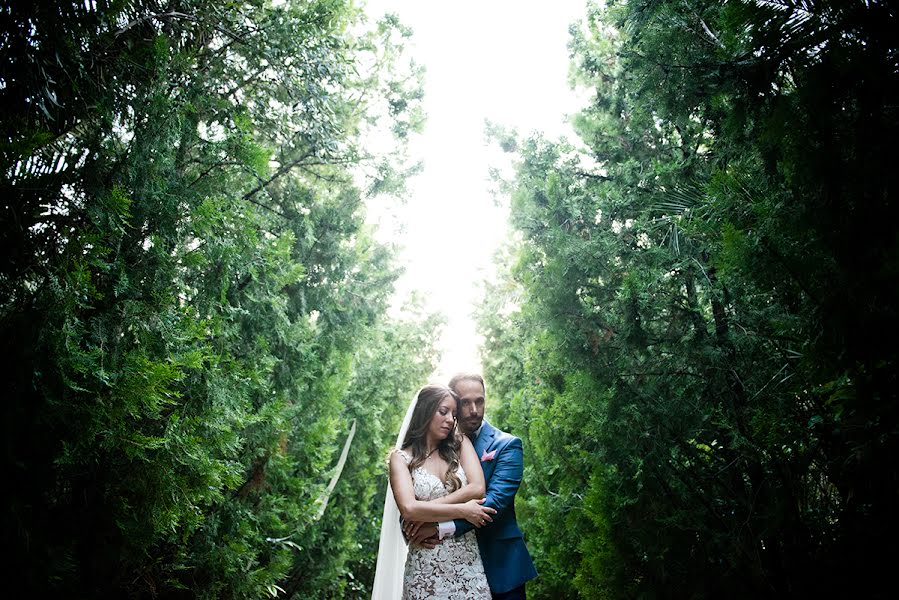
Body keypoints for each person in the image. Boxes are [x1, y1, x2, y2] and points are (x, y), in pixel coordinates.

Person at [406, 374, 537, 600]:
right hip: (445, 569)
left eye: (480, 401)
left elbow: (493, 504)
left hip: (500, 566)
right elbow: (415, 494)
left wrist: (439, 527)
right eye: (465, 402)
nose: (474, 409)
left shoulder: (506, 445)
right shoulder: (431, 448)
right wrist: (411, 524)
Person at [372, 384, 495, 599]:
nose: (450, 420)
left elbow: (477, 487)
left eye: (454, 414)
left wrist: (426, 512)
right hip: (426, 565)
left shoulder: (460, 444)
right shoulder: (400, 459)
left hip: (468, 564)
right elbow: (409, 509)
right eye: (443, 411)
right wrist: (463, 510)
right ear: (425, 411)